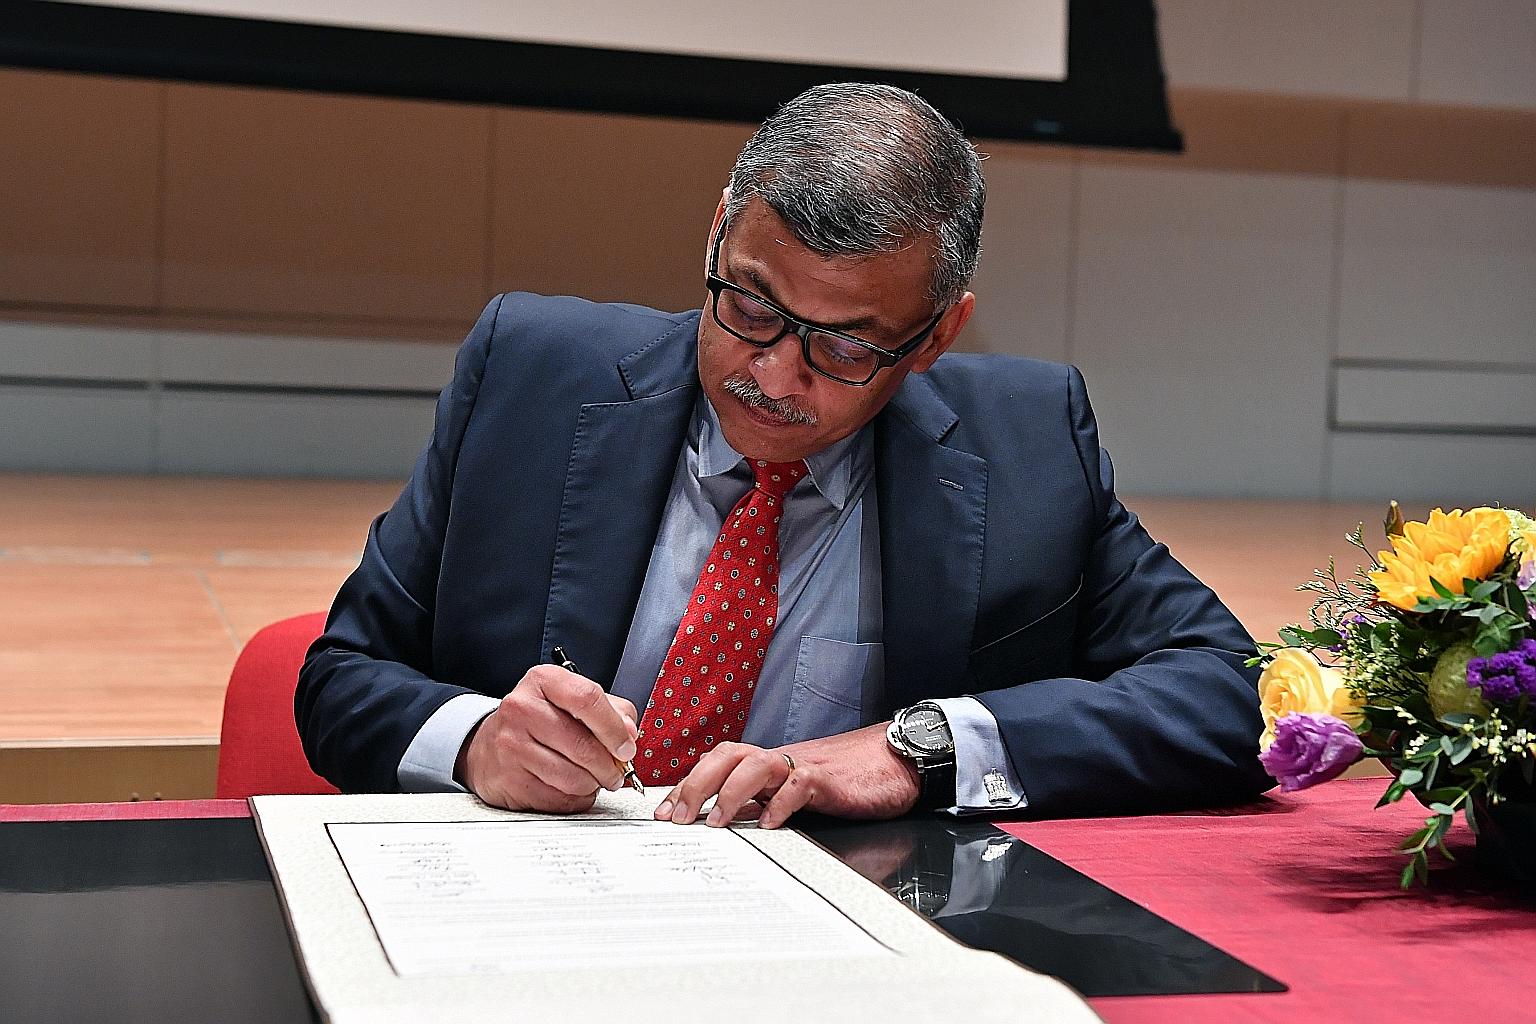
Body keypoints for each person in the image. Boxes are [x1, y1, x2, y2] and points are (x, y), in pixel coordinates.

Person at [297, 82, 1272, 829]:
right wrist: (476, 743)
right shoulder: (531, 377)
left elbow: (1235, 693)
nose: (774, 373)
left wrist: (916, 750)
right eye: (751, 305)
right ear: (720, 228)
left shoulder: (1026, 447)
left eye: (845, 345)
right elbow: (342, 678)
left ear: (936, 335)